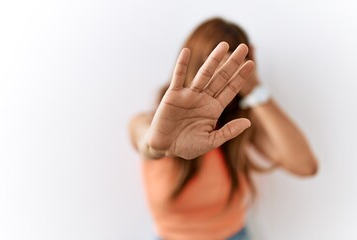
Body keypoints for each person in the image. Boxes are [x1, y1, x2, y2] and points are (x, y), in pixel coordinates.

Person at [129, 17, 318, 240]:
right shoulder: (151, 123)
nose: (222, 80)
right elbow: (144, 139)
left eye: (233, 71)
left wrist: (255, 89)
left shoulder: (236, 128)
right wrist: (158, 146)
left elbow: (305, 166)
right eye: (214, 67)